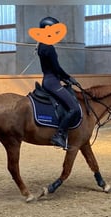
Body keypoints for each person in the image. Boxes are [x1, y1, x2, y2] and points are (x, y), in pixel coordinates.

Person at [37, 16, 80, 150]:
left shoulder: (41, 46)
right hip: (52, 82)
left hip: (49, 80)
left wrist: (65, 78)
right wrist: (68, 77)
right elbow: (56, 68)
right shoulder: (49, 47)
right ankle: (59, 135)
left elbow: (53, 68)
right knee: (74, 108)